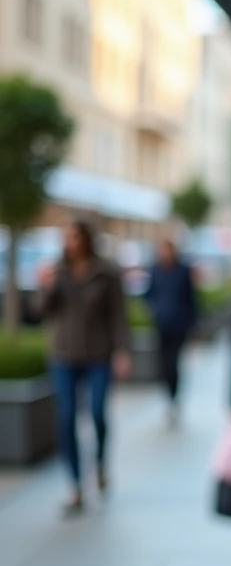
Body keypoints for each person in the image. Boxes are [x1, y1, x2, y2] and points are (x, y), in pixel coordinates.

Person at [36, 219, 131, 516]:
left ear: (86, 238)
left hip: (98, 353)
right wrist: (46, 286)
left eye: (75, 235)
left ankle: (100, 463)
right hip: (63, 354)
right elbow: (40, 310)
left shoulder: (106, 271)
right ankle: (75, 485)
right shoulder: (57, 271)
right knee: (66, 419)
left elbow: (118, 313)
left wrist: (122, 351)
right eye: (66, 236)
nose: (71, 241)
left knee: (99, 413)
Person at [144, 238, 198, 426]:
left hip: (179, 325)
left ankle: (174, 395)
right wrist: (154, 309)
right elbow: (148, 294)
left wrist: (193, 323)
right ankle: (168, 393)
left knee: (174, 362)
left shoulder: (182, 270)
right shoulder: (154, 270)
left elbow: (191, 297)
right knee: (164, 363)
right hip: (161, 324)